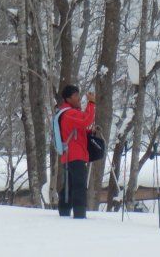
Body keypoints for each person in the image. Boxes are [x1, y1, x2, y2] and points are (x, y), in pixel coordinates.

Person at [57, 84, 96, 219]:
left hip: (69, 155)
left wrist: (90, 132)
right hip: (75, 155)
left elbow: (78, 129)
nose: (79, 98)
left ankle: (65, 212)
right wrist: (91, 103)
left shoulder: (65, 113)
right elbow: (86, 120)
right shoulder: (69, 113)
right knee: (79, 185)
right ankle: (79, 214)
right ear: (68, 98)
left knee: (69, 185)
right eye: (76, 96)